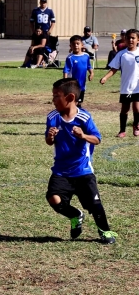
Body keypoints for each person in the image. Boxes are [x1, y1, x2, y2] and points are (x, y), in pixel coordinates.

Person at [45, 78, 118, 244]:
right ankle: (75, 215)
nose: (53, 100)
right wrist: (50, 136)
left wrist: (83, 136)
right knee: (53, 198)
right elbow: (49, 142)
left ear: (70, 98)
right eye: (53, 95)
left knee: (95, 204)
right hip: (61, 171)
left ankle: (105, 232)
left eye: (57, 96)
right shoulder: (53, 117)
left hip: (82, 170)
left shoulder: (84, 118)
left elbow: (97, 139)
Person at [100, 29, 139, 138]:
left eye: (133, 38)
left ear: (138, 40)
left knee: (137, 108)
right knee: (125, 109)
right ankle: (122, 130)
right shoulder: (122, 54)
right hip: (126, 86)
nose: (130, 40)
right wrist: (105, 77)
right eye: (128, 38)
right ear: (125, 39)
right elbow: (114, 69)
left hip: (137, 86)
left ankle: (136, 125)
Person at [63, 35, 93, 108]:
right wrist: (65, 82)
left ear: (82, 44)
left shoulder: (86, 56)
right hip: (72, 84)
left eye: (77, 43)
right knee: (73, 102)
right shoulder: (70, 58)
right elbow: (66, 70)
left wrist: (91, 73)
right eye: (73, 44)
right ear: (70, 46)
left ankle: (76, 115)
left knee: (79, 102)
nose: (76, 46)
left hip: (82, 84)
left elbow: (89, 66)